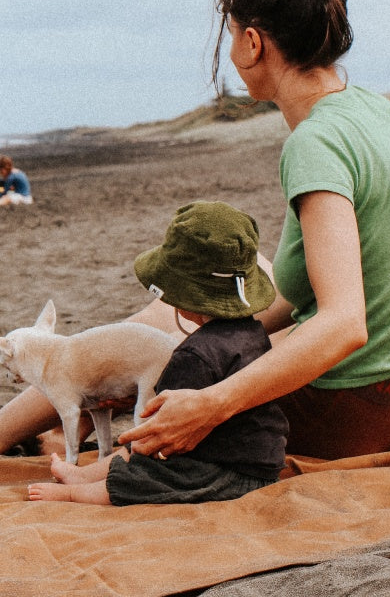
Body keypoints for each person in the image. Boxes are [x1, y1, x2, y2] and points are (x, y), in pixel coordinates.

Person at [0, 0, 390, 462]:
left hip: (350, 415)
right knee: (193, 301)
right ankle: (50, 419)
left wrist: (211, 405)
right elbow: (333, 287)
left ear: (251, 42)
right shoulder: (373, 110)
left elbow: (344, 324)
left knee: (168, 323)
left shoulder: (315, 144)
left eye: (230, 38)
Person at [29, 201, 287, 505]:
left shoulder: (194, 357)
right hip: (264, 462)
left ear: (184, 301)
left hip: (222, 471)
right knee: (139, 457)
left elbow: (162, 432)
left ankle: (76, 492)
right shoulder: (254, 334)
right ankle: (84, 474)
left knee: (142, 474)